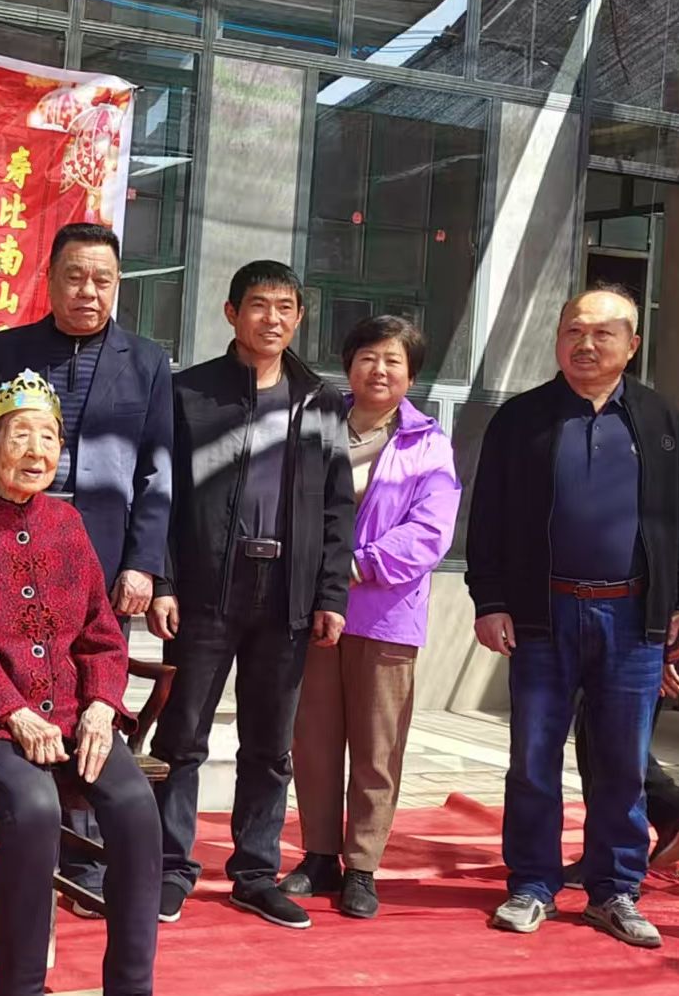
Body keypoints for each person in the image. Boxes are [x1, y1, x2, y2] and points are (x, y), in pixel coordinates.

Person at [467, 285, 679, 950]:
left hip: (633, 618)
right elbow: (486, 518)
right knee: (533, 759)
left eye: (603, 333)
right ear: (558, 338)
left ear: (632, 344)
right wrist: (490, 600)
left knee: (623, 763)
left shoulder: (660, 418)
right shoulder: (522, 419)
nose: (586, 344)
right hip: (542, 615)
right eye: (574, 330)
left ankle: (615, 890)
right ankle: (532, 883)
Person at [0, 371, 162, 996]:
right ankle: (19, 988)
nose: (36, 450)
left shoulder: (67, 523)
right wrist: (15, 712)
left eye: (48, 437)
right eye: (20, 435)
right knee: (34, 806)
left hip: (75, 714)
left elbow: (101, 632)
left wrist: (103, 705)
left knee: (135, 807)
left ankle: (132, 986)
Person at [0, 222, 173, 905]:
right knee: (19, 693)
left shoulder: (147, 361)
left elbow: (157, 470)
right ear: (50, 279)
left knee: (90, 696)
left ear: (118, 286)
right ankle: (22, 855)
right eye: (75, 277)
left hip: (103, 560)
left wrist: (144, 563)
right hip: (8, 550)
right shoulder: (7, 350)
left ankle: (82, 863)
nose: (89, 291)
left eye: (102, 280)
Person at [150, 260, 353, 930]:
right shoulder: (189, 393)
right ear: (231, 312)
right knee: (182, 736)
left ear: (299, 317)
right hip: (205, 589)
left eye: (285, 307)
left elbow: (337, 506)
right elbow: (161, 495)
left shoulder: (320, 401)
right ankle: (169, 868)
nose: (273, 318)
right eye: (259, 305)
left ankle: (255, 873)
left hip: (287, 594)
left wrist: (331, 595)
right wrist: (164, 581)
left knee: (269, 744)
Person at [281, 315, 459, 919]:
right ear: (348, 365)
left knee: (378, 746)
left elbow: (429, 531)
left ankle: (362, 864)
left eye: (393, 361)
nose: (379, 370)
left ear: (412, 373)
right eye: (367, 358)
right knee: (314, 740)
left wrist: (355, 566)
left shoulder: (428, 443)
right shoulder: (315, 425)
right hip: (314, 611)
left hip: (385, 615)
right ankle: (318, 856)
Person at [562, 660, 679, 888]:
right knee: (614, 739)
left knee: (605, 742)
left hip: (639, 653)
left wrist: (665, 655)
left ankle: (608, 861)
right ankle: (674, 813)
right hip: (650, 653)